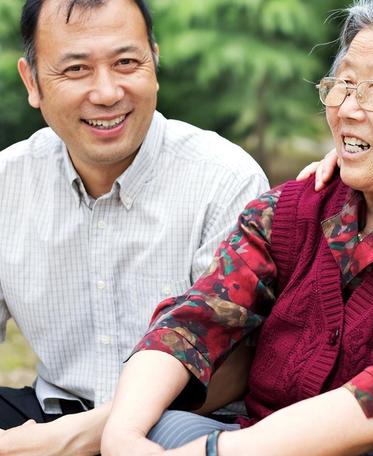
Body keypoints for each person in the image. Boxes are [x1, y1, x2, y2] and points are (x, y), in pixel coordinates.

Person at [101, 1, 373, 455]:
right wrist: (121, 434)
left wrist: (212, 453)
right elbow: (196, 320)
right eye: (343, 83)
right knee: (161, 426)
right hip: (237, 439)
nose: (348, 108)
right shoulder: (288, 212)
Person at [0, 0, 267, 454]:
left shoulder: (225, 179)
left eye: (126, 62)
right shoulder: (8, 182)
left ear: (154, 63)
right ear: (33, 82)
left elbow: (233, 366)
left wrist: (75, 439)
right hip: (49, 412)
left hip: (184, 420)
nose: (107, 92)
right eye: (76, 69)